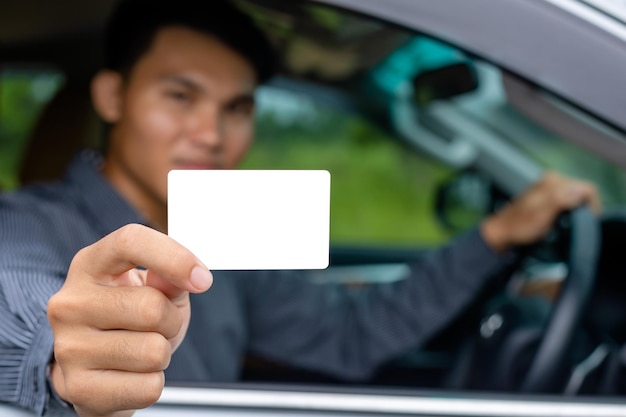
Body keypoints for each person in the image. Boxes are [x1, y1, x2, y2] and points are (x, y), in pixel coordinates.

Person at [0, 0, 601, 416]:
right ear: (112, 96)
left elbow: (351, 335)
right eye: (181, 96)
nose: (211, 133)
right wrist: (59, 351)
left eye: (236, 107)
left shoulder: (219, 231)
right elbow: (19, 298)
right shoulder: (27, 221)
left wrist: (495, 236)